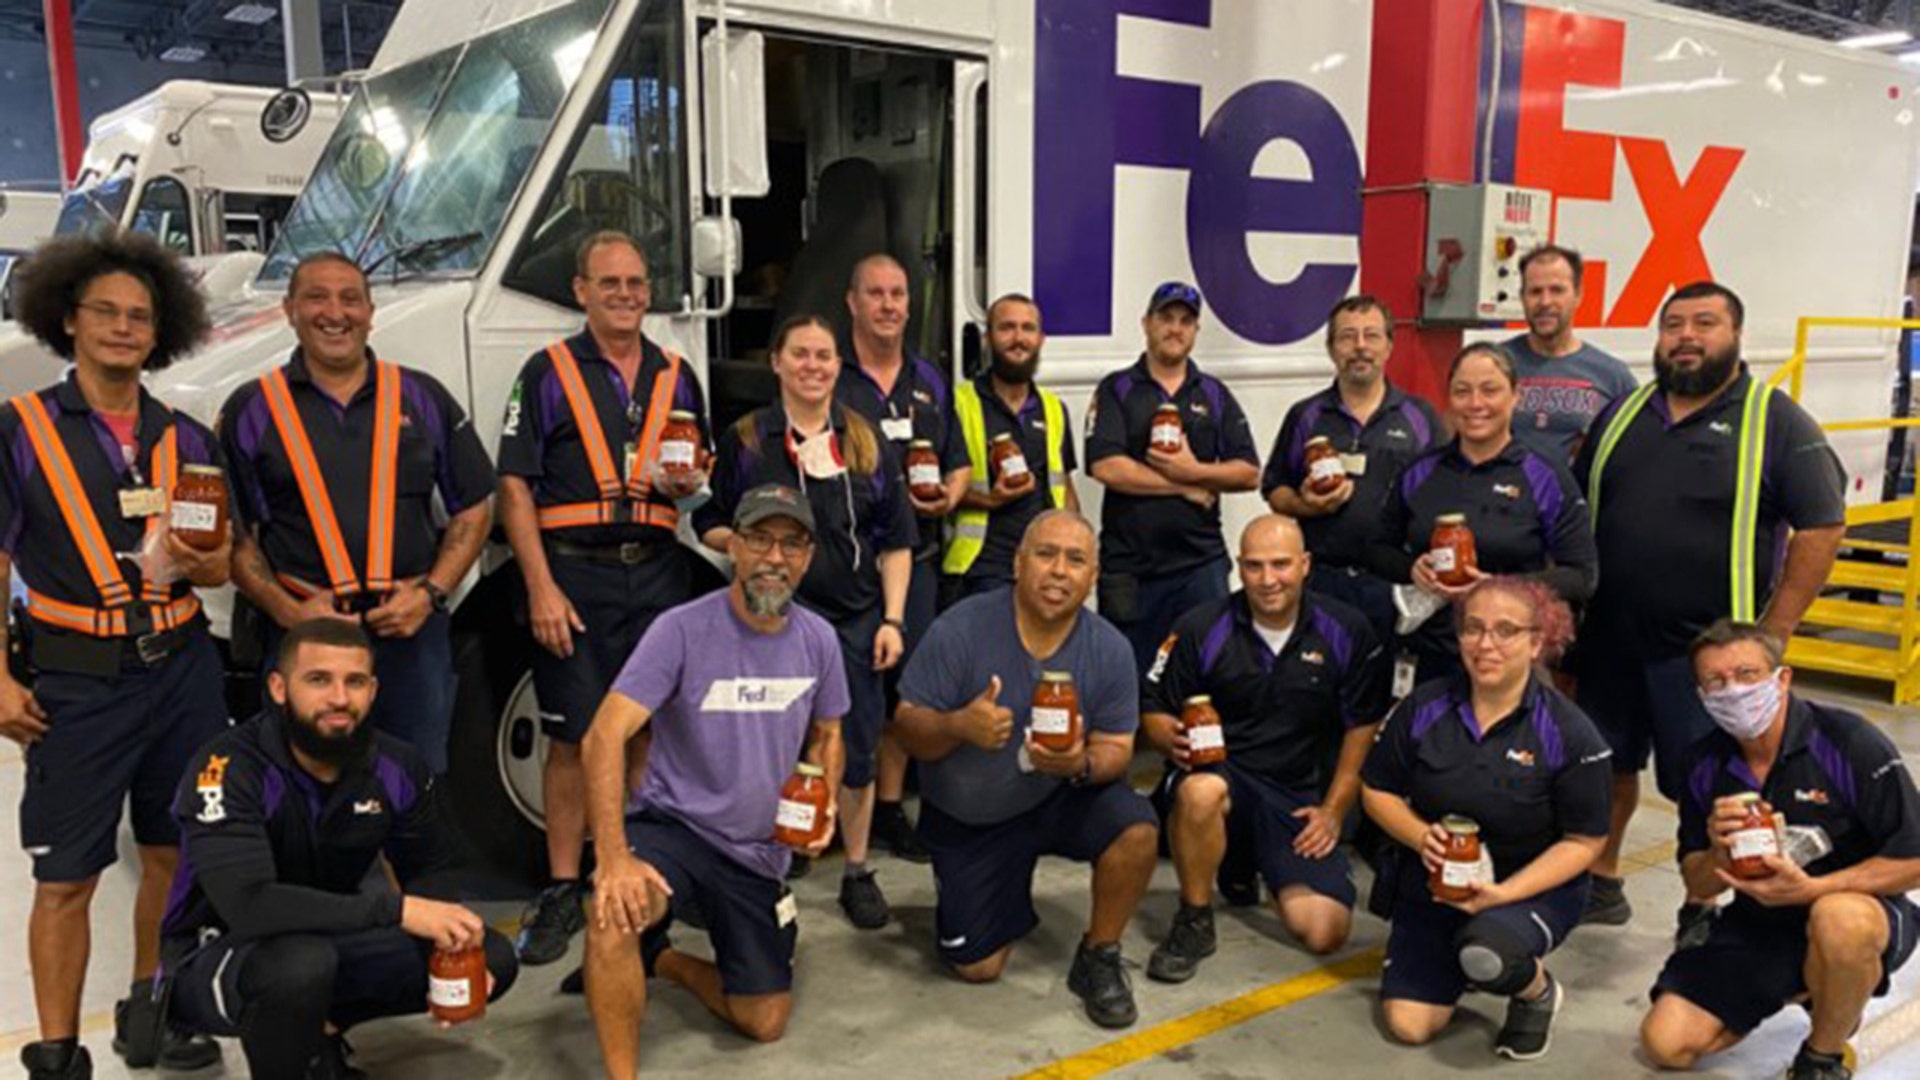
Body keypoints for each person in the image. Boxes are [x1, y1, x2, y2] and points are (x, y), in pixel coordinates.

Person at [2, 230, 228, 1078]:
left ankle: (153, 1011)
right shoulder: (18, 429)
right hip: (75, 677)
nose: (125, 328)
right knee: (67, 876)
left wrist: (206, 558)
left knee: (175, 850)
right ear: (68, 319)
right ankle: (57, 1052)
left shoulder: (187, 438)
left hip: (180, 665)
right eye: (107, 312)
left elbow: (218, 552)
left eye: (141, 315)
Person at [1573, 281, 1846, 930]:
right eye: (1674, 325)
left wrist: (1775, 631)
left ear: (1736, 337)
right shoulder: (1622, 413)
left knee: (1705, 787)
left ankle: (1703, 902)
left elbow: (1823, 525)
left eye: (1705, 323)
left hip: (1703, 657)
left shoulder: (1774, 420)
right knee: (1606, 764)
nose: (1687, 336)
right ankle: (1602, 879)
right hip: (1610, 642)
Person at [161, 619, 520, 1079]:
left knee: (492, 955)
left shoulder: (397, 765)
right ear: (277, 687)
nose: (338, 698)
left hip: (330, 935)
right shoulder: (228, 768)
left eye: (354, 682)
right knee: (298, 967)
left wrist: (450, 947)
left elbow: (432, 870)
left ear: (372, 690)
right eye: (318, 680)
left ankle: (319, 1032)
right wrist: (395, 911)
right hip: (219, 955)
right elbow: (251, 904)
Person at [495, 232, 712, 966]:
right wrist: (540, 586)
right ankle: (563, 886)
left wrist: (689, 485)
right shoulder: (546, 372)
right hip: (573, 576)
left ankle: (638, 871)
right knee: (573, 733)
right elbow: (515, 486)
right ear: (581, 290)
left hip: (656, 570)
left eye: (636, 282)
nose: (625, 294)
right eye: (609, 282)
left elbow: (696, 475)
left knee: (646, 732)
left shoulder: (678, 374)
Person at [582, 485, 847, 1072]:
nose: (774, 558)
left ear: (807, 556)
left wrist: (823, 800)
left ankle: (665, 962)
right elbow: (603, 735)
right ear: (734, 544)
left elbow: (829, 735)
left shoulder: (819, 641)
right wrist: (613, 857)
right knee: (612, 911)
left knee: (764, 1021)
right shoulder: (679, 630)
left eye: (792, 544)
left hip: (757, 852)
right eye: (759, 539)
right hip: (675, 827)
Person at [219, 251, 496, 778]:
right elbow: (236, 538)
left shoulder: (422, 396)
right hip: (304, 634)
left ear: (370, 312)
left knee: (411, 781)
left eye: (350, 299)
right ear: (289, 310)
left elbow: (474, 506)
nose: (335, 312)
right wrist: (287, 611)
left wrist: (431, 593)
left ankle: (404, 866)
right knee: (300, 782)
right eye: (317, 297)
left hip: (409, 634)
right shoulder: (251, 409)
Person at [894, 510, 1159, 1029]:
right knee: (977, 967)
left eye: (1076, 560)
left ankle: (1099, 954)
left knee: (1137, 828)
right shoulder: (960, 628)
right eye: (1046, 554)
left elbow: (1118, 749)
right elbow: (906, 730)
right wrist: (955, 726)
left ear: (1093, 577)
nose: (1059, 571)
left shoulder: (1109, 648)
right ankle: (1000, 887)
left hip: (1059, 794)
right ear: (1018, 563)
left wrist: (1079, 763)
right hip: (972, 815)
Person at [698, 316, 913, 929]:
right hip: (770, 620)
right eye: (801, 355)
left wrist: (892, 619)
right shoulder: (745, 440)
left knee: (854, 742)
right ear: (777, 362)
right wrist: (750, 549)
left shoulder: (866, 441)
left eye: (824, 355)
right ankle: (775, 852)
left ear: (838, 365)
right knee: (771, 740)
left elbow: (896, 540)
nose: (813, 366)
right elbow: (706, 520)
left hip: (853, 619)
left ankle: (856, 868)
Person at [1640, 621, 1920, 1080]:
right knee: (1665, 1044)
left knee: (1838, 920)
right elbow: (1697, 883)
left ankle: (1823, 1054)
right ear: (1701, 694)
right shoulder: (1703, 764)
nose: (1734, 691)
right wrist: (1715, 851)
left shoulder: (1848, 742)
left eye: (1748, 675)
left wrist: (1813, 889)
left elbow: (1915, 859)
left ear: (1782, 678)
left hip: (1864, 912)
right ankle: (1813, 984)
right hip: (1761, 922)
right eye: (1717, 682)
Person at [1360, 577, 1611, 1061]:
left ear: (1537, 642)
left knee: (1489, 954)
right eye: (1473, 629)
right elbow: (1377, 788)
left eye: (1505, 631)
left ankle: (1535, 992)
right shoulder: (1424, 706)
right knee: (1409, 1026)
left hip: (1530, 884)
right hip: (1437, 881)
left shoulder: (1569, 732)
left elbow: (1585, 841)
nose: (1485, 644)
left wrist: (1503, 895)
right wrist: (1418, 836)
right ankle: (1459, 956)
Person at [1141, 515, 1390, 981]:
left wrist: (1334, 810)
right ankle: (1194, 917)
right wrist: (1166, 736)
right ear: (1238, 567)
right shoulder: (1201, 626)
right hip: (1221, 776)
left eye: (1280, 565)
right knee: (1199, 794)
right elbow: (1154, 706)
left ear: (1306, 564)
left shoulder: (1347, 630)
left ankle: (1246, 861)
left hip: (1295, 793)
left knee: (1324, 932)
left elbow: (1363, 727)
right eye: (1254, 566)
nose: (1268, 579)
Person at [834, 253, 965, 864]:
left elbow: (958, 463)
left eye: (898, 294)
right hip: (846, 568)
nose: (889, 305)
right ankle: (825, 812)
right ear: (852, 303)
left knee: (905, 692)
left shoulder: (931, 380)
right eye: (876, 294)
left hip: (915, 563)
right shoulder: (831, 375)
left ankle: (890, 808)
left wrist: (945, 498)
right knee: (840, 698)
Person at [1366, 343, 1596, 685]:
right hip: (1428, 655)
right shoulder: (1421, 471)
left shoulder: (1544, 475)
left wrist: (1500, 587)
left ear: (1515, 396)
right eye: (1462, 391)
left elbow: (1582, 576)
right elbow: (1377, 551)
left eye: (1490, 390)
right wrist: (1411, 569)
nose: (1476, 404)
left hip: (1510, 659)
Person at [1087, 281, 1261, 673]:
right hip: (1129, 570)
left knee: (1204, 674)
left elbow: (1249, 472)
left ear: (1195, 331)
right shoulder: (1117, 389)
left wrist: (1194, 471)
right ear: (1146, 323)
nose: (1175, 328)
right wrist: (1186, 485)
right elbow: (1106, 466)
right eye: (1166, 318)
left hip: (1200, 568)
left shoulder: (1214, 394)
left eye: (1186, 321)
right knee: (1127, 679)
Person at [1263, 295, 1439, 642]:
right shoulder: (1306, 416)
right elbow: (1275, 489)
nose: (1360, 347)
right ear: (1331, 349)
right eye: (1347, 336)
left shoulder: (1420, 417)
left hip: (1393, 587)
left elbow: (1443, 496)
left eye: (1371, 335)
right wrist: (1305, 505)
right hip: (1322, 583)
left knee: (1389, 687)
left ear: (1389, 345)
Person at [944, 292, 1081, 598]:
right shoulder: (958, 403)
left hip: (1043, 571)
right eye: (1006, 328)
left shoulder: (1054, 409)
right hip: (980, 569)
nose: (1018, 338)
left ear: (1041, 339)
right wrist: (990, 500)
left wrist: (1076, 548)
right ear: (987, 339)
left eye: (1028, 328)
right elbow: (939, 489)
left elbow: (1065, 488)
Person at [1501, 246, 1636, 463]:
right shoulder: (1496, 364)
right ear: (1522, 297)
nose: (1545, 302)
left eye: (1557, 290)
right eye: (1535, 291)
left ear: (1577, 295)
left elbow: (1636, 451)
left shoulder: (1613, 376)